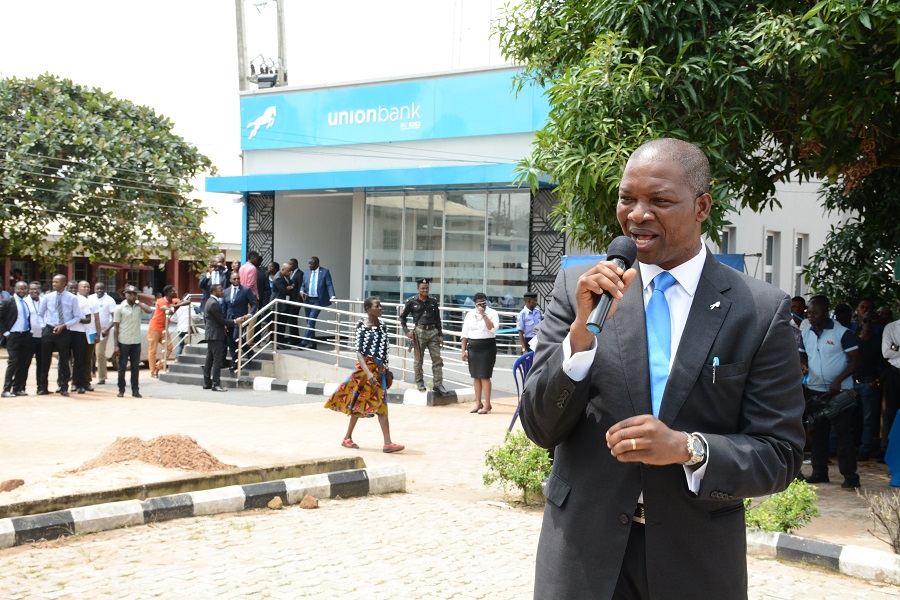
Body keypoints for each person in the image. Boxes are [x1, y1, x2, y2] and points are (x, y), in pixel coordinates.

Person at [519, 138, 804, 599]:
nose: (637, 214)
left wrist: (687, 448)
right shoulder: (580, 289)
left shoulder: (758, 310)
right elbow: (539, 426)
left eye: (660, 201)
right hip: (582, 556)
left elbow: (780, 454)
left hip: (696, 562)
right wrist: (580, 339)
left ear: (702, 207)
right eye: (627, 198)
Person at [324, 296, 404, 453]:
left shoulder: (383, 326)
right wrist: (367, 373)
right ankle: (350, 438)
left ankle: (384, 442)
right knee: (359, 401)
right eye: (377, 306)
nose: (380, 308)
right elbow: (358, 352)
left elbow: (385, 349)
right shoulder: (361, 325)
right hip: (365, 370)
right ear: (368, 309)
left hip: (379, 370)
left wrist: (386, 371)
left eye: (380, 305)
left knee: (379, 403)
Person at [800, 295, 861, 488]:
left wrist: (838, 380)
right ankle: (819, 473)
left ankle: (850, 477)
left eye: (815, 313)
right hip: (815, 390)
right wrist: (803, 364)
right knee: (817, 433)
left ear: (826, 313)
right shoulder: (806, 333)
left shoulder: (842, 333)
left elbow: (856, 360)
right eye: (809, 313)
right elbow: (802, 353)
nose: (811, 316)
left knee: (843, 435)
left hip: (840, 392)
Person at [36, 274, 83, 397]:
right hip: (49, 329)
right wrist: (43, 327)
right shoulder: (47, 297)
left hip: (64, 330)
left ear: (64, 283)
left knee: (64, 360)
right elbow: (40, 314)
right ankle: (42, 387)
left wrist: (64, 326)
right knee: (45, 360)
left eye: (57, 282)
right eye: (53, 282)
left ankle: (63, 387)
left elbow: (77, 317)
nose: (54, 284)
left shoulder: (72, 298)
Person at [399, 278, 448, 395]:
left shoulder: (433, 301)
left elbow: (437, 319)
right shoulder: (411, 301)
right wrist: (406, 331)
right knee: (418, 359)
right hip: (419, 332)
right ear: (418, 289)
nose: (425, 290)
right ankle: (420, 383)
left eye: (427, 288)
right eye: (422, 288)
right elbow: (402, 318)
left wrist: (440, 334)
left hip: (433, 332)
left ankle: (438, 384)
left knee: (437, 359)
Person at [853, 310, 886, 461]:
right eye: (866, 320)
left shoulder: (879, 341)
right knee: (850, 418)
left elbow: (885, 364)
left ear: (877, 324)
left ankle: (865, 449)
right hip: (852, 383)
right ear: (861, 321)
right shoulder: (853, 339)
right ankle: (849, 447)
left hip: (870, 384)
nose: (868, 324)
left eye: (872, 321)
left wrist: (877, 380)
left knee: (868, 420)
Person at [203, 283, 249, 392]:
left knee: (209, 359)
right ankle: (216, 384)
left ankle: (207, 383)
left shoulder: (209, 302)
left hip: (211, 334)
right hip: (216, 335)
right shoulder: (214, 304)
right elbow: (221, 320)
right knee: (217, 360)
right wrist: (235, 321)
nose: (222, 292)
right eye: (220, 290)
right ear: (214, 292)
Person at [113, 286, 154, 398]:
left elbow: (149, 310)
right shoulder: (120, 308)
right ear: (125, 294)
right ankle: (121, 389)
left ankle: (135, 390)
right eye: (129, 293)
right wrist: (116, 345)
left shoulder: (138, 307)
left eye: (133, 293)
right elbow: (116, 327)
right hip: (124, 341)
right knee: (122, 367)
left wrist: (138, 301)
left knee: (135, 367)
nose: (131, 295)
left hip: (136, 341)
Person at [461, 292, 499, 414]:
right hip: (473, 347)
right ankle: (478, 402)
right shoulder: (470, 315)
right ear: (475, 304)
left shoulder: (492, 313)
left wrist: (483, 315)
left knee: (485, 376)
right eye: (479, 304)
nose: (482, 305)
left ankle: (487, 404)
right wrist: (463, 350)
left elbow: (492, 329)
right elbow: (465, 333)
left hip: (487, 347)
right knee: (476, 376)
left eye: (484, 303)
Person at [147, 285, 189, 377]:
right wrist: (170, 307)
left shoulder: (174, 300)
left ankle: (159, 366)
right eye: (173, 291)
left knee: (169, 348)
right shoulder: (160, 301)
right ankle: (152, 372)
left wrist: (176, 305)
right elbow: (165, 309)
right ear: (168, 293)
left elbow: (188, 301)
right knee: (152, 351)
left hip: (164, 329)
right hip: (154, 327)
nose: (176, 293)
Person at [1, 282, 33, 397]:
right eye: (20, 288)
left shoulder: (25, 302)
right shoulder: (8, 302)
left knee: (24, 363)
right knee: (13, 362)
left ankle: (19, 388)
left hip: (25, 335)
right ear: (15, 289)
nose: (22, 291)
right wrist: (6, 332)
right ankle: (6, 390)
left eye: (24, 289)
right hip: (13, 336)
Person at [222, 272, 257, 370]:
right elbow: (224, 307)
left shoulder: (246, 290)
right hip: (229, 320)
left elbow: (254, 303)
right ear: (230, 280)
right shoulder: (226, 291)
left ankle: (247, 352)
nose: (236, 280)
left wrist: (250, 314)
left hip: (241, 319)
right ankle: (236, 362)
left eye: (238, 278)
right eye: (234, 279)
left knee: (235, 338)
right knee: (230, 341)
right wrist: (224, 322)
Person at [299, 256, 336, 349]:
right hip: (308, 299)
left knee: (311, 320)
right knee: (309, 321)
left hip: (318, 300)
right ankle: (313, 343)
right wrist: (301, 291)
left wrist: (333, 296)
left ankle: (304, 342)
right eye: (309, 263)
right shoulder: (306, 272)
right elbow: (303, 284)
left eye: (311, 264)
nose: (309, 265)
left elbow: (329, 284)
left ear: (317, 264)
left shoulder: (325, 272)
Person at [90, 282, 118, 384]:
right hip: (90, 330)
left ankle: (101, 377)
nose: (99, 291)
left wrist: (107, 329)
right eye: (97, 288)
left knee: (100, 354)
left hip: (103, 331)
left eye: (101, 289)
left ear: (105, 289)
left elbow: (115, 317)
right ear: (94, 289)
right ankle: (88, 376)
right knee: (88, 353)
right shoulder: (90, 298)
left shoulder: (109, 300)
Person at [882, 317, 900, 462]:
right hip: (894, 373)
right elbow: (886, 353)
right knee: (891, 412)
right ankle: (886, 450)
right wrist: (893, 349)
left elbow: (892, 349)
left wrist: (896, 347)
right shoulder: (891, 327)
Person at [272, 262, 301, 348]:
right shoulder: (278, 278)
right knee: (279, 325)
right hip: (279, 305)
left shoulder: (285, 276)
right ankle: (277, 344)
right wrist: (290, 287)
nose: (290, 273)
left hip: (285, 304)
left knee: (283, 325)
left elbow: (293, 284)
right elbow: (284, 291)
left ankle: (280, 343)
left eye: (291, 271)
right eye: (288, 271)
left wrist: (290, 287)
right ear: (282, 269)